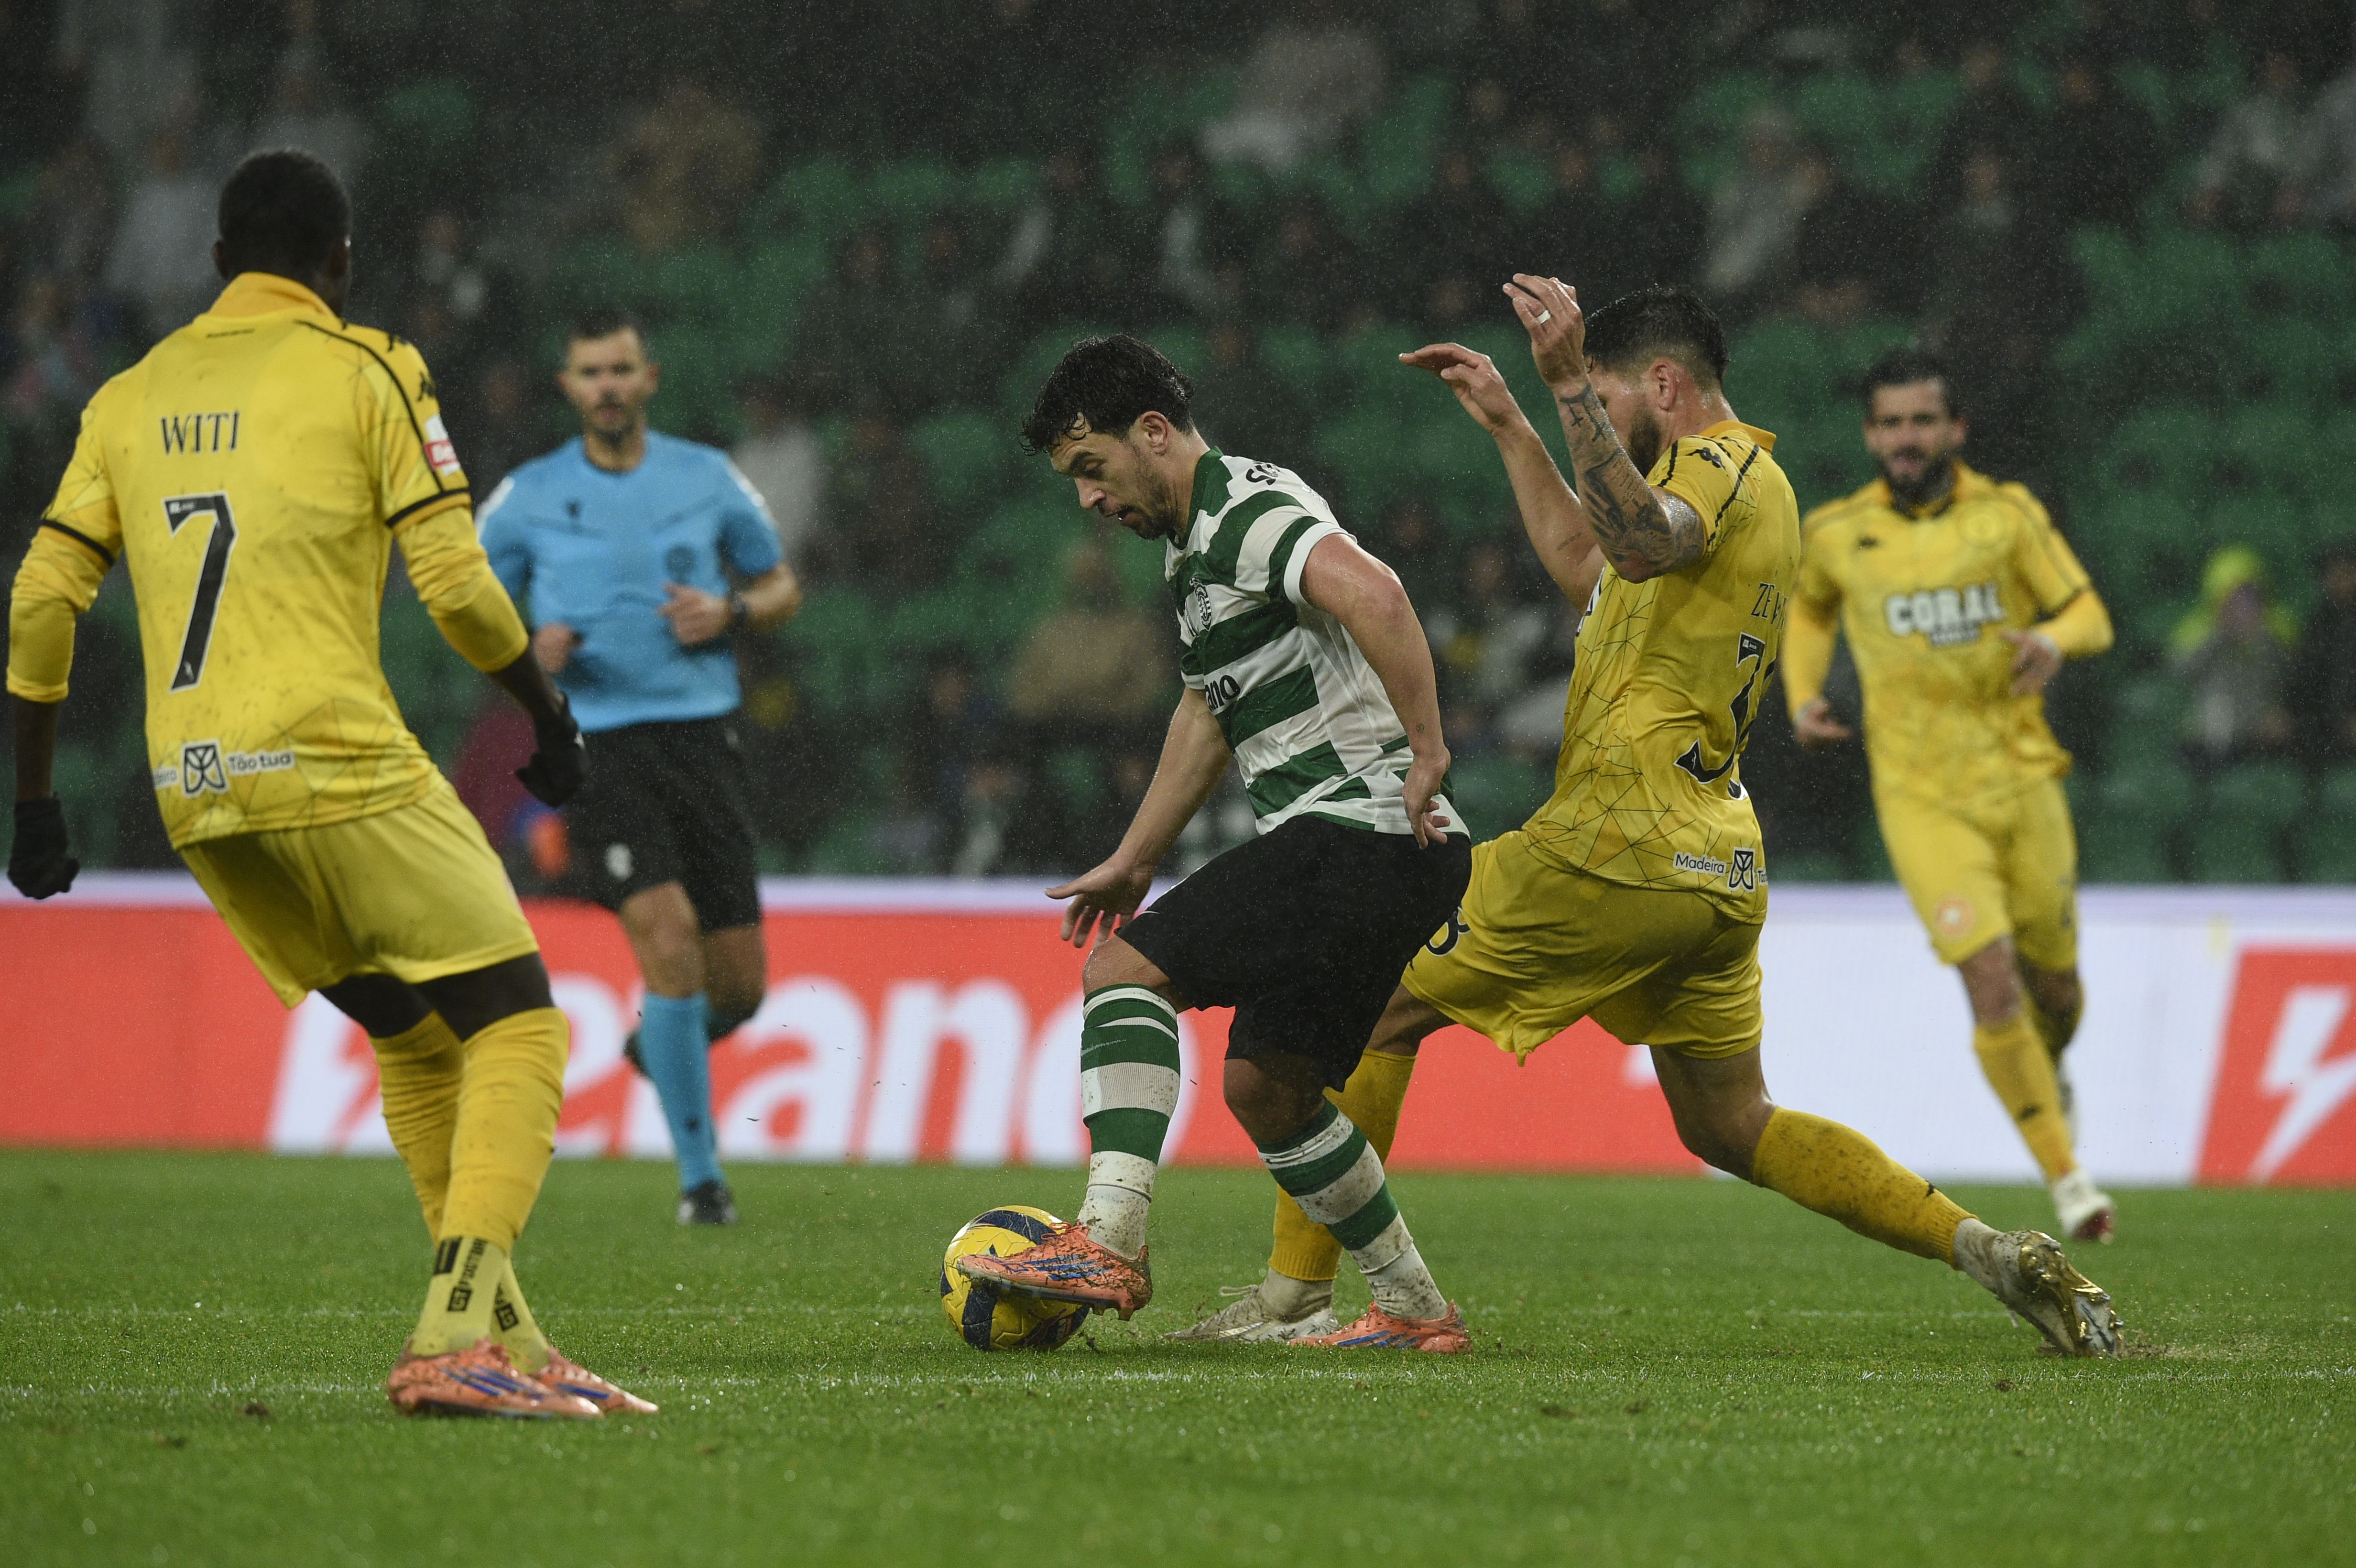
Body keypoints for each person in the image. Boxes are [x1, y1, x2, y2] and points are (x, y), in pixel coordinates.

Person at [1191, 284, 2122, 1360]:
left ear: (1665, 387)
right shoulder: (1723, 497)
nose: (1599, 411)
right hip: (1713, 859)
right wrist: (1513, 423)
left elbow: (1634, 540)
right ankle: (1986, 1250)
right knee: (1730, 1121)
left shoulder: (1719, 464)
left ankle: (1304, 1293)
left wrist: (1566, 384)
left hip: (1611, 839)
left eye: (1614, 393)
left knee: (1358, 1006)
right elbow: (1591, 562)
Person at [5, 149, 646, 1417]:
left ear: (215, 264)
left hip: (199, 789)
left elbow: (39, 600)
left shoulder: (129, 397)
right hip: (335, 758)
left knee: (412, 1040)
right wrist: (547, 711)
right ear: (340, 263)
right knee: (522, 1020)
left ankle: (500, 1341)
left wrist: (32, 802)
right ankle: (451, 1340)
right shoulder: (371, 368)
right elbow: (456, 584)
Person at [956, 335, 1478, 1352]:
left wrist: (1426, 746)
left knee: (1123, 972)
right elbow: (1207, 705)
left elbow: (1374, 592)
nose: (1088, 501)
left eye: (1092, 470)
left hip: (1358, 825)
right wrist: (1137, 853)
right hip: (1390, 849)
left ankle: (1107, 1238)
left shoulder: (1244, 513)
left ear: (1153, 433)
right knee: (1268, 1088)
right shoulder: (1197, 543)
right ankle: (1417, 1307)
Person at [1785, 348, 2119, 1243]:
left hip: (2022, 781)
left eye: (1921, 422)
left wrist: (2051, 639)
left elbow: (2091, 614)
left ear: (1954, 429)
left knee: (2059, 988)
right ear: (1869, 434)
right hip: (1920, 799)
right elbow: (1809, 609)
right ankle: (2069, 1177)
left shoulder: (2007, 517)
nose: (1905, 438)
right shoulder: (1837, 532)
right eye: (1889, 424)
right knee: (1990, 973)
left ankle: (2053, 1075)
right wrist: (1803, 693)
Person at [479, 309, 803, 1226]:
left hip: (704, 741)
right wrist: (521, 648)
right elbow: (459, 598)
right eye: (592, 371)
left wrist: (732, 612)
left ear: (649, 378)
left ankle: (659, 1047)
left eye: (622, 369)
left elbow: (783, 586)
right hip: (596, 745)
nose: (609, 386)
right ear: (570, 388)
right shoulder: (529, 495)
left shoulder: (706, 477)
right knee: (666, 936)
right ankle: (703, 1184)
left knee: (737, 990)